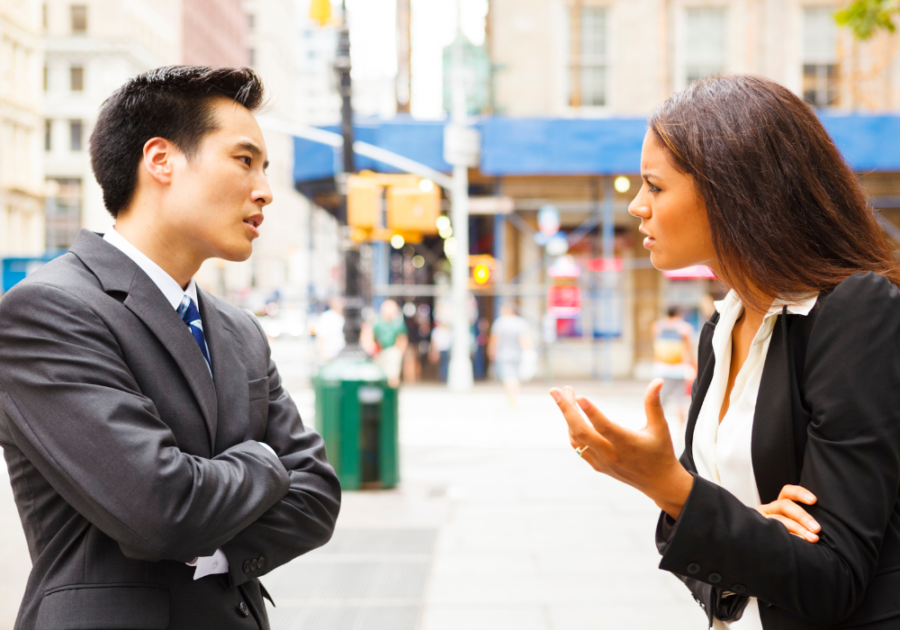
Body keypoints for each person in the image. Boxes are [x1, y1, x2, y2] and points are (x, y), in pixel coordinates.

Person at [551, 74, 900, 629]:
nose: (637, 207)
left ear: (731, 190)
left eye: (655, 187)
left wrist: (666, 485)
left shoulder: (855, 312)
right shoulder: (723, 324)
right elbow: (709, 557)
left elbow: (833, 577)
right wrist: (742, 523)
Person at [0, 66, 341, 630]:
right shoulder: (48, 311)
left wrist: (219, 549)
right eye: (243, 160)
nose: (265, 191)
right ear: (161, 160)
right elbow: (162, 509)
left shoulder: (238, 330)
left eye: (265, 168)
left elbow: (316, 495)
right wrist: (263, 459)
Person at [652, 306, 696, 449]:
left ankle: (655, 429)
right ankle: (680, 432)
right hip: (678, 370)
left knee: (660, 401)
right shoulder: (684, 328)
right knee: (679, 401)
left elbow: (656, 345)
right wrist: (694, 365)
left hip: (661, 369)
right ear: (678, 313)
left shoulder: (657, 326)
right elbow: (689, 348)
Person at [489, 303, 532, 406]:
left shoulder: (500, 323)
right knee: (515, 375)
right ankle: (514, 395)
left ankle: (511, 397)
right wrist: (528, 352)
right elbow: (524, 339)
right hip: (518, 354)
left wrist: (491, 350)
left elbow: (495, 339)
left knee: (508, 376)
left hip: (504, 354)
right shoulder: (521, 322)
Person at [366, 299, 408, 388]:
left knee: (393, 375)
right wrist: (372, 347)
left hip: (391, 350)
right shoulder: (377, 322)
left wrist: (399, 352)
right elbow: (370, 334)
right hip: (379, 351)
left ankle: (391, 394)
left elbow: (402, 338)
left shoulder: (397, 323)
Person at [316, 295, 345, 364]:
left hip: (343, 357)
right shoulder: (326, 317)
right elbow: (321, 337)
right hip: (331, 357)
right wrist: (324, 355)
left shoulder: (345, 317)